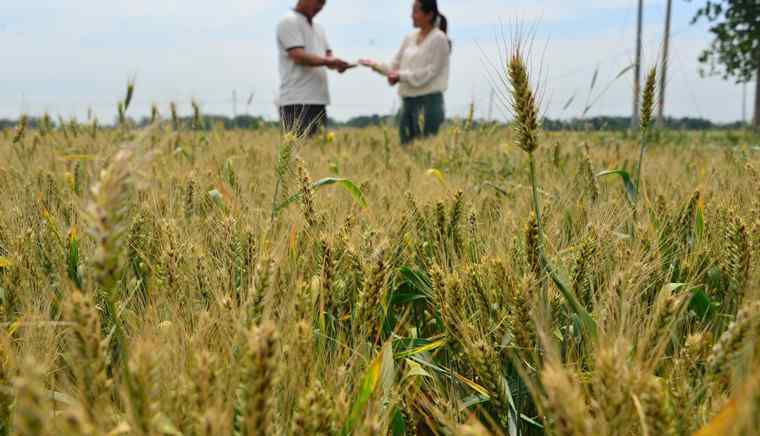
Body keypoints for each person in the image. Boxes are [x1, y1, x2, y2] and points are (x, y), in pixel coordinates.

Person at [360, 0, 451, 145]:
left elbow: (430, 72)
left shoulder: (439, 39)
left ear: (429, 15)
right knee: (406, 151)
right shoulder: (410, 37)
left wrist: (400, 76)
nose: (411, 16)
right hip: (407, 103)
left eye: (416, 11)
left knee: (427, 151)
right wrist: (375, 65)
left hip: (429, 104)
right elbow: (394, 65)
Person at [277, 0, 353, 137]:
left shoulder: (319, 27)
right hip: (296, 100)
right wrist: (328, 61)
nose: (320, 7)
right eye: (318, 2)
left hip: (319, 99)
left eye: (323, 4)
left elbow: (327, 57)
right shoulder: (288, 21)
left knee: (316, 152)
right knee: (297, 152)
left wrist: (337, 64)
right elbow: (297, 55)